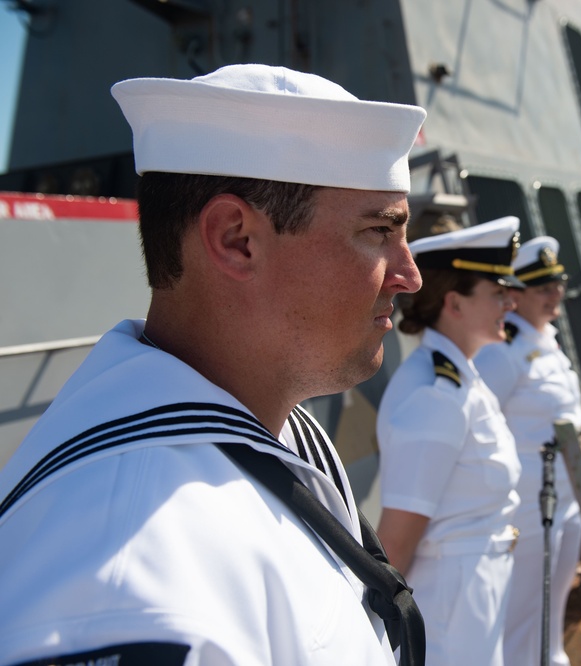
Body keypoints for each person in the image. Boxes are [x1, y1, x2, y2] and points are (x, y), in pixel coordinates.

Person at [0, 64, 426, 665]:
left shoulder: (274, 426)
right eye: (379, 231)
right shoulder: (134, 583)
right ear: (235, 239)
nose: (410, 275)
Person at [376, 216, 523, 666]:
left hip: (472, 594)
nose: (511, 304)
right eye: (497, 294)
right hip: (450, 607)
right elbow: (395, 543)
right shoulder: (438, 397)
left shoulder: (461, 379)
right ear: (454, 303)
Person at [475, 236, 581, 666]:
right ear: (513, 297)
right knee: (524, 608)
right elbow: (479, 430)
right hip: (529, 502)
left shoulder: (546, 338)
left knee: (556, 593)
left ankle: (552, 655)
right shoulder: (501, 355)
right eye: (543, 288)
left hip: (566, 493)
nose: (556, 294)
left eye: (557, 284)